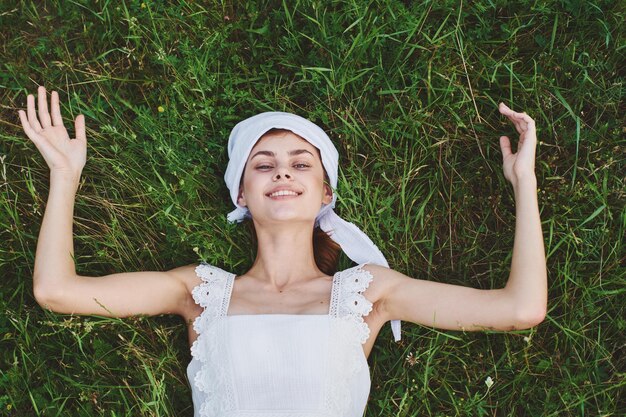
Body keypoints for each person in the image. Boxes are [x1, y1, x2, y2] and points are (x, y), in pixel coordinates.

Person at [18, 86, 547, 417]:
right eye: (263, 164)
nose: (283, 172)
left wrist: (524, 182)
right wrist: (65, 176)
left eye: (301, 162)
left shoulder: (368, 292)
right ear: (242, 193)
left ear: (326, 192)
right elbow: (57, 291)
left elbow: (521, 310)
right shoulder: (200, 290)